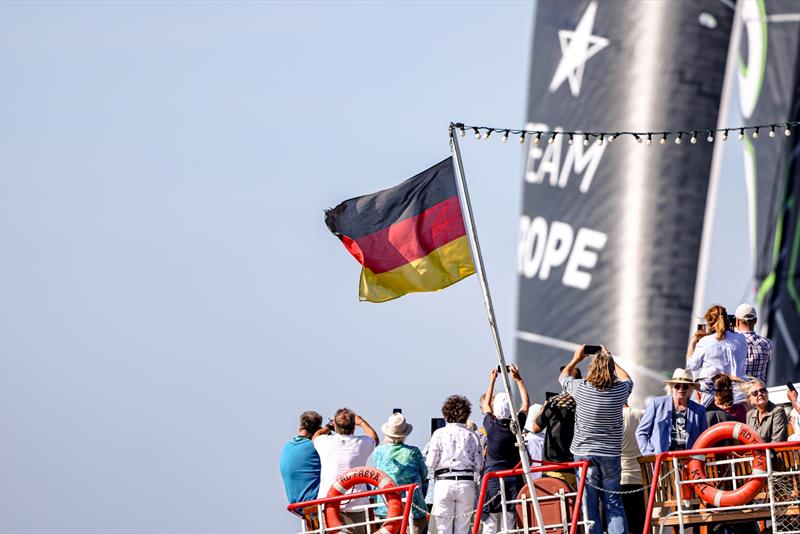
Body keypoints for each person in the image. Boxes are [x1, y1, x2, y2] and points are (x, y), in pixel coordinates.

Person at [560, 345, 633, 534]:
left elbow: (563, 377)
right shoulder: (619, 392)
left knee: (589, 506)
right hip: (610, 454)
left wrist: (576, 358)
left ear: (592, 368)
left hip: (584, 455)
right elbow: (628, 379)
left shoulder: (581, 388)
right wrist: (610, 358)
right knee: (613, 503)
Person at [480, 365, 530, 534]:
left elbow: (486, 404)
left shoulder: (491, 426)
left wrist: (492, 380)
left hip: (492, 480)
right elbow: (525, 403)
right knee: (510, 522)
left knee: (491, 524)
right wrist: (518, 379)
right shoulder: (516, 425)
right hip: (513, 480)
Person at [313, 408, 378, 534]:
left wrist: (328, 426)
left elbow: (315, 436)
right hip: (356, 505)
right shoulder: (362, 443)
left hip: (328, 504)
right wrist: (362, 422)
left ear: (335, 425)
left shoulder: (324, 442)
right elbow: (374, 438)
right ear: (354, 427)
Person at [426, 395, 484, 534]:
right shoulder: (472, 435)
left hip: (444, 482)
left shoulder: (439, 434)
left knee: (443, 529)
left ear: (445, 413)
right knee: (462, 529)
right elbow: (479, 465)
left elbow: (431, 463)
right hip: (466, 483)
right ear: (466, 413)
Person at [372, 413, 428, 534]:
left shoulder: (378, 452)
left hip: (385, 506)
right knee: (422, 521)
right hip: (412, 507)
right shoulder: (413, 452)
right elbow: (424, 475)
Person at [687, 304, 748, 406]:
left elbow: (692, 366)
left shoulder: (705, 342)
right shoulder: (741, 339)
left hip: (712, 396)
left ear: (709, 323)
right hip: (738, 394)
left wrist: (693, 341)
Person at [636, 368, 708, 454]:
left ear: (690, 389)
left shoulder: (699, 410)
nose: (681, 389)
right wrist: (648, 453)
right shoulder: (657, 404)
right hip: (661, 460)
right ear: (671, 387)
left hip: (688, 460)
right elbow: (641, 432)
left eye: (685, 387)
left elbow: (704, 438)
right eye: (677, 386)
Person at [532, 366, 580, 488]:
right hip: (577, 465)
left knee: (556, 504)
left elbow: (536, 428)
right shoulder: (584, 403)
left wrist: (544, 407)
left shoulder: (555, 401)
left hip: (553, 465)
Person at [280, 411, 323, 504]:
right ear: (317, 430)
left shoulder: (287, 447)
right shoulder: (315, 446)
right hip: (316, 504)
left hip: (298, 506)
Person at [733, 303, 773, 383]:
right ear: (755, 321)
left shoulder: (731, 344)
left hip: (737, 393)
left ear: (737, 322)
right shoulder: (767, 344)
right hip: (759, 392)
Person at [620, 403, 644, 534]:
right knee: (640, 525)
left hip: (620, 477)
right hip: (641, 477)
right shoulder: (641, 414)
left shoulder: (612, 417)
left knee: (624, 524)